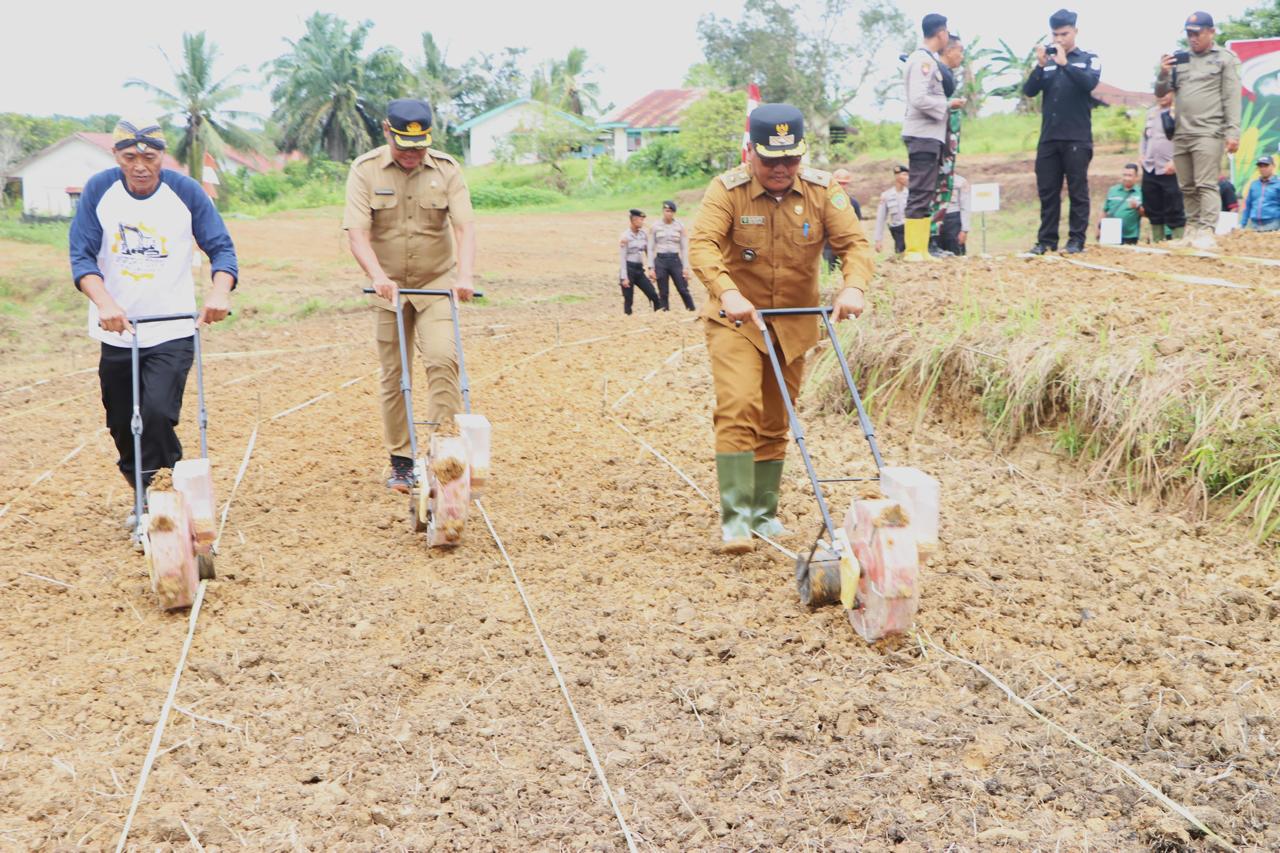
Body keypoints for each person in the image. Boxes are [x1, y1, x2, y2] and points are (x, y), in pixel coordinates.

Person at [689, 104, 874, 554]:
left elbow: (855, 244)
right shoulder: (727, 191)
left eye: (790, 159)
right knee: (739, 405)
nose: (781, 169)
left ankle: (763, 514)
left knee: (777, 418)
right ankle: (735, 520)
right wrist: (727, 292)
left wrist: (853, 287)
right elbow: (703, 244)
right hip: (738, 320)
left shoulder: (822, 189)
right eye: (771, 160)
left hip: (793, 324)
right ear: (751, 152)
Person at [69, 119, 237, 530]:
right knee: (122, 422)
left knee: (159, 413)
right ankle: (144, 493)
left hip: (173, 328)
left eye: (150, 156)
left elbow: (221, 249)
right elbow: (82, 258)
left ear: (163, 156)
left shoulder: (185, 192)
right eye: (130, 157)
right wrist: (105, 303)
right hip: (118, 331)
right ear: (116, 157)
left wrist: (219, 293)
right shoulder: (99, 190)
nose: (140, 165)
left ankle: (164, 492)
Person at [344, 98, 477, 493]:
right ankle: (401, 461)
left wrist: (465, 275)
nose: (411, 155)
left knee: (443, 359)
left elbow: (465, 228)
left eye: (418, 149)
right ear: (387, 132)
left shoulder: (447, 170)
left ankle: (443, 450)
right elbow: (356, 234)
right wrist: (377, 275)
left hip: (436, 282)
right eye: (404, 147)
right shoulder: (365, 170)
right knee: (395, 375)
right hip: (388, 288)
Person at [1156, 12, 1241, 250]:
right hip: (1182, 132)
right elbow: (1161, 92)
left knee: (1206, 184)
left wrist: (1233, 132)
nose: (1192, 39)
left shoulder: (1225, 59)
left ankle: (1206, 231)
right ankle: (1191, 229)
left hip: (1209, 131)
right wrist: (1163, 73)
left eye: (1197, 33)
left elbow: (1232, 98)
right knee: (1187, 186)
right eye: (1189, 34)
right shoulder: (1179, 60)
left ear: (1211, 32)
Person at [1024, 9, 1101, 255]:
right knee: (1048, 192)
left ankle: (1076, 240)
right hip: (1049, 138)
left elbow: (1089, 83)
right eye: (1055, 34)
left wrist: (1065, 63)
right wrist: (1039, 65)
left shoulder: (1088, 58)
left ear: (1075, 32)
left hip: (1076, 137)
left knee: (1077, 191)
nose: (1059, 40)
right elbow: (1029, 90)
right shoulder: (1047, 63)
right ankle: (1046, 240)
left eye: (1064, 34)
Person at [902, 13, 967, 260]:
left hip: (929, 135)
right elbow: (918, 98)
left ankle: (920, 248)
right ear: (941, 34)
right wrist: (947, 105)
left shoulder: (925, 59)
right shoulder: (923, 61)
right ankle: (915, 250)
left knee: (927, 189)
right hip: (922, 134)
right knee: (920, 190)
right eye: (947, 33)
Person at [931, 34, 967, 256]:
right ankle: (930, 239)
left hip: (948, 144)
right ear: (947, 50)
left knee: (944, 189)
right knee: (934, 190)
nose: (961, 56)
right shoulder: (936, 73)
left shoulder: (947, 74)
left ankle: (935, 240)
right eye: (960, 51)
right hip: (937, 143)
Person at [1140, 90, 1186, 242]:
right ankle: (1157, 242)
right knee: (1152, 205)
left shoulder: (1179, 111)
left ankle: (1178, 240)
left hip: (1170, 168)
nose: (1162, 96)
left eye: (1166, 92)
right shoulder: (1151, 112)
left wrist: (1175, 160)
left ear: (1172, 93)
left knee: (1174, 206)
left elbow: (1184, 139)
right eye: (1159, 93)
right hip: (1150, 166)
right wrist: (1142, 154)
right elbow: (1145, 137)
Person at [650, 200, 695, 311]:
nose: (668, 213)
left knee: (683, 288)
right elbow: (650, 248)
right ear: (663, 211)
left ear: (674, 213)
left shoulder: (680, 226)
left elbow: (684, 248)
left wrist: (685, 267)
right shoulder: (655, 226)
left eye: (670, 211)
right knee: (663, 291)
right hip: (661, 260)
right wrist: (650, 267)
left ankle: (691, 309)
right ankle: (665, 313)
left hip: (675, 260)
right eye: (666, 211)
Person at [618, 209, 661, 315]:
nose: (642, 222)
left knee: (653, 294)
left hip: (639, 270)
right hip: (628, 269)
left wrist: (651, 268)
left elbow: (648, 252)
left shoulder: (643, 235)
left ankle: (659, 316)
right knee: (629, 299)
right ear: (634, 220)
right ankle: (627, 320)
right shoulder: (625, 236)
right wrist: (624, 277)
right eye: (641, 220)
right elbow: (622, 258)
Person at [823, 168, 864, 271]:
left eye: (844, 184)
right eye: (839, 183)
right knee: (828, 273)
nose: (841, 186)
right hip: (828, 246)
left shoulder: (854, 204)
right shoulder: (824, 201)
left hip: (847, 245)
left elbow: (857, 225)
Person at [1103, 164, 1144, 245]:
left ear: (1136, 177)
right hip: (1110, 232)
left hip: (1130, 235)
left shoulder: (1141, 192)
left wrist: (1137, 207)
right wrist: (1099, 229)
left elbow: (1146, 214)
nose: (1126, 178)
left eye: (1130, 175)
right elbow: (1105, 211)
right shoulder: (1113, 190)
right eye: (1124, 175)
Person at [874, 165, 910, 254]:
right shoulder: (886, 195)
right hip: (897, 231)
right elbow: (881, 219)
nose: (907, 177)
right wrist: (878, 240)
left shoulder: (910, 194)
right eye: (904, 174)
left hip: (910, 229)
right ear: (897, 176)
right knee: (899, 254)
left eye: (907, 175)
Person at [1241, 155, 1280, 231]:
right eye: (1260, 166)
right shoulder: (1254, 184)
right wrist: (1242, 224)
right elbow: (1248, 205)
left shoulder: (1278, 184)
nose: (1263, 169)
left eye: (1266, 166)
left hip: (1273, 225)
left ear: (1273, 166)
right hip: (1254, 226)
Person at [938, 173, 971, 255]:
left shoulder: (960, 181)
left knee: (955, 252)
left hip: (953, 219)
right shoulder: (931, 180)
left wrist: (964, 230)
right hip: (936, 219)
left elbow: (965, 206)